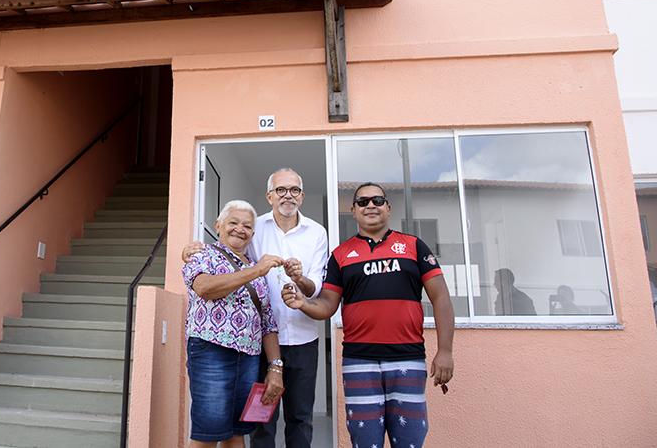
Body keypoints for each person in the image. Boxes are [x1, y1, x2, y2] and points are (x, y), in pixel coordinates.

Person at [281, 182, 454, 448]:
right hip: (358, 361)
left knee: (410, 442)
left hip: (407, 358)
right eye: (362, 202)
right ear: (353, 210)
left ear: (388, 207)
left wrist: (445, 351)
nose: (370, 206)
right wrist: (302, 303)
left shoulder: (414, 246)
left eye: (377, 200)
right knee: (365, 443)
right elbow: (327, 305)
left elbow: (441, 298)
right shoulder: (340, 255)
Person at [184, 168, 329, 448]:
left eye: (294, 190)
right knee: (258, 422)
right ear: (269, 196)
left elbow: (313, 290)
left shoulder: (316, 232)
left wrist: (299, 279)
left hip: (295, 339)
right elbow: (214, 276)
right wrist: (190, 250)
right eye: (280, 190)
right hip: (247, 349)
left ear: (301, 196)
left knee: (298, 418)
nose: (288, 195)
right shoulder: (249, 230)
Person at [183, 200, 286, 448]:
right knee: (207, 434)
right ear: (218, 225)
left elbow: (268, 323)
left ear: (252, 234)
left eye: (247, 226)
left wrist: (276, 367)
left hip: (248, 357)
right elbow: (205, 288)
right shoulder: (202, 255)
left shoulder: (253, 267)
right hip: (211, 351)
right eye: (233, 223)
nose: (240, 229)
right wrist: (257, 270)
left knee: (236, 432)